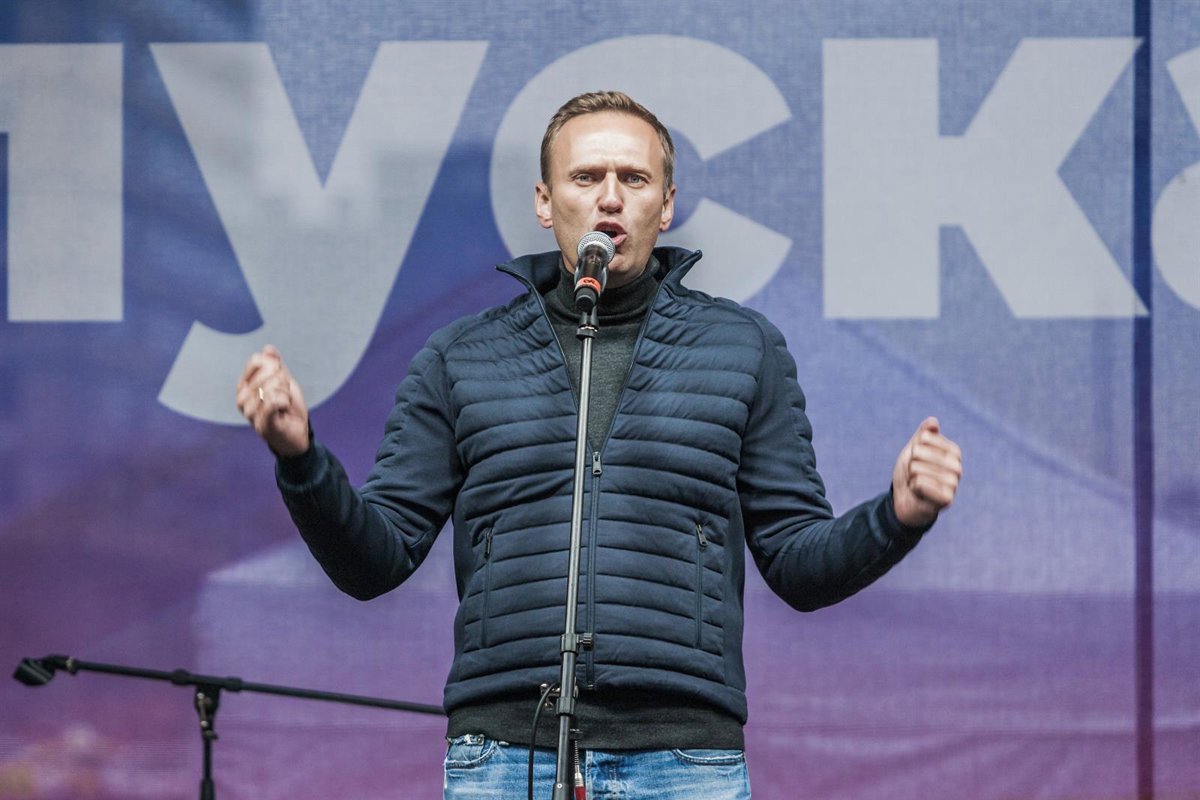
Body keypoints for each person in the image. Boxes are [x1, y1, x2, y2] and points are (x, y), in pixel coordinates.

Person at [236, 91, 963, 799]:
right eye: (585, 177)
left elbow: (799, 563)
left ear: (666, 205)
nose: (609, 198)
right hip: (505, 753)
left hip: (683, 757)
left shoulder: (743, 348)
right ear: (545, 201)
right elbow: (374, 560)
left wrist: (897, 515)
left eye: (634, 179)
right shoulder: (462, 357)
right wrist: (300, 459)